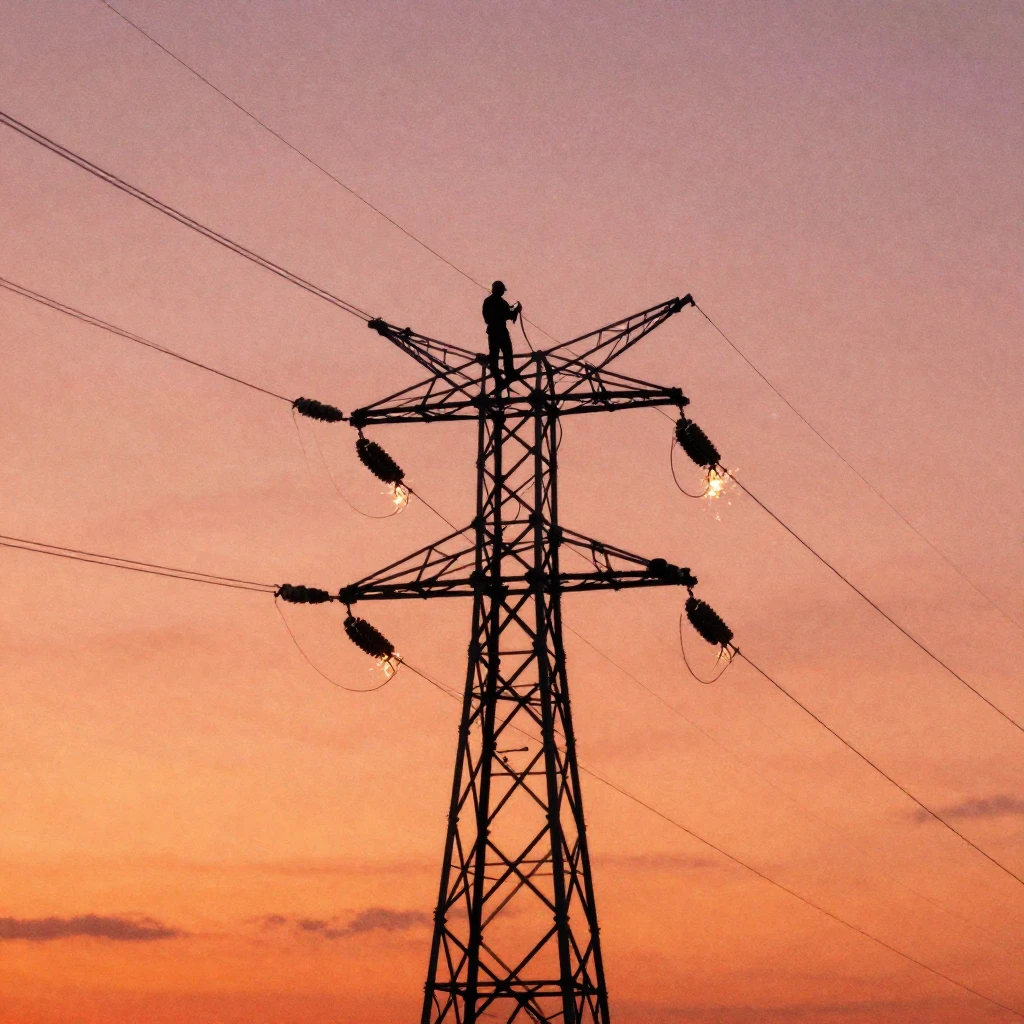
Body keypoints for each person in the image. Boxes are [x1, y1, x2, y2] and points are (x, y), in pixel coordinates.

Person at [482, 281, 521, 382]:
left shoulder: (488, 301)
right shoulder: (501, 302)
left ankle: (497, 378)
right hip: (501, 331)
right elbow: (509, 315)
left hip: (492, 331)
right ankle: (509, 373)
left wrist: (513, 310)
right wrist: (516, 310)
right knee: (507, 352)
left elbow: (487, 318)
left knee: (494, 355)